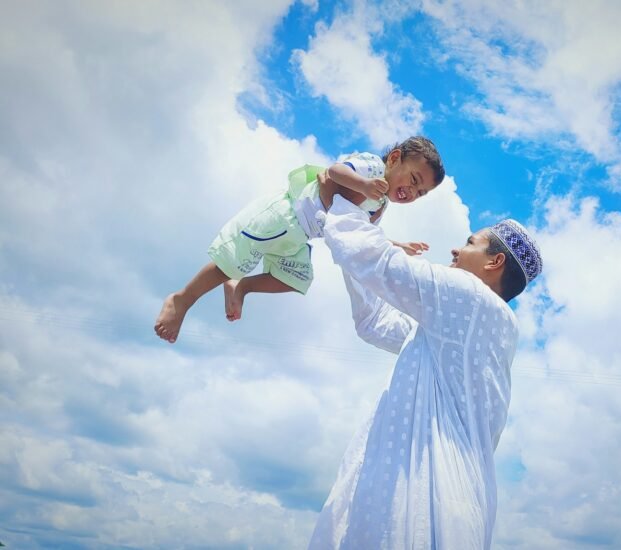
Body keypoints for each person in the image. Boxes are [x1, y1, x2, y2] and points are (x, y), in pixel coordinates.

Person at [308, 189, 542, 549]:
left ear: (494, 262)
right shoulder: (465, 326)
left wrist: (345, 203)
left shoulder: (469, 297)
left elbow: (378, 262)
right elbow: (374, 322)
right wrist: (357, 238)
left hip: (424, 494)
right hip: (445, 497)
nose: (455, 250)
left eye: (470, 243)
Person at [154, 136, 445, 343]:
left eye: (420, 193)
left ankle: (242, 287)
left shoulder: (380, 204)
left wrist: (396, 245)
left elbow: (362, 233)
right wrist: (364, 184)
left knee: (295, 280)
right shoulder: (372, 169)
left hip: (299, 238)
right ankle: (182, 300)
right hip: (285, 216)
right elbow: (335, 171)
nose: (412, 192)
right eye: (414, 180)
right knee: (229, 264)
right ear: (394, 159)